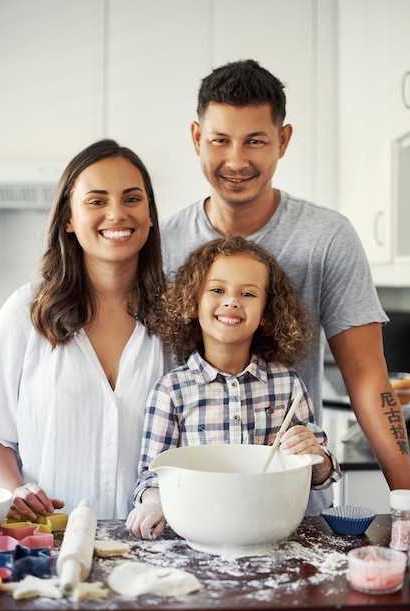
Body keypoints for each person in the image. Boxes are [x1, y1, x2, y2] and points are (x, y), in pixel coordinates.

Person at [160, 59, 410, 514]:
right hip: (190, 510)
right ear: (197, 138)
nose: (236, 160)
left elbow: (367, 375)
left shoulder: (327, 237)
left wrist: (407, 498)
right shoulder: (162, 244)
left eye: (255, 141)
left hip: (296, 511)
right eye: (220, 140)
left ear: (283, 140)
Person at [0, 138, 171, 520]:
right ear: (68, 219)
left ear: (151, 215)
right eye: (96, 200)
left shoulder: (177, 319)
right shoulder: (26, 313)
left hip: (156, 549)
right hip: (46, 541)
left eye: (132, 198)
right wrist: (16, 490)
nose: (116, 213)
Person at [127, 235, 341, 539]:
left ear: (267, 314)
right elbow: (152, 474)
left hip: (272, 535)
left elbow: (321, 474)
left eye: (248, 293)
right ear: (192, 303)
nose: (231, 300)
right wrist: (153, 503)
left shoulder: (287, 384)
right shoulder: (171, 390)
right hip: (197, 537)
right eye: (217, 290)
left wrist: (315, 456)